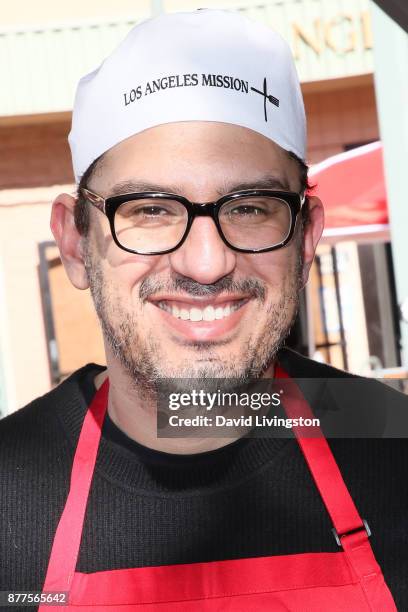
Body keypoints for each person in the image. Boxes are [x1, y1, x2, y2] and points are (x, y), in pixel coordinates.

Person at [0, 9, 407, 611]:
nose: (207, 264)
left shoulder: (389, 439)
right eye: (150, 209)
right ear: (75, 243)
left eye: (251, 207)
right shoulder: (11, 494)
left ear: (306, 237)